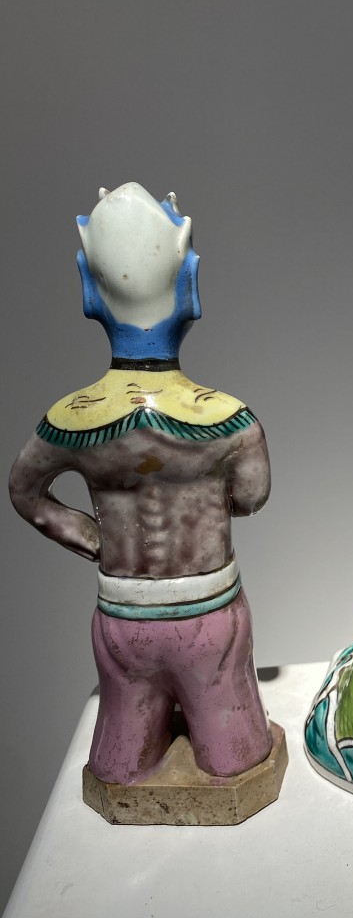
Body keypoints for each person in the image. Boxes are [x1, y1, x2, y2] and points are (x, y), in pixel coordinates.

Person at [9, 183, 273, 785]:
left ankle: (126, 770)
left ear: (89, 292)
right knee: (233, 755)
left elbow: (25, 493)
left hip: (122, 612)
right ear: (190, 289)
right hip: (208, 610)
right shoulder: (231, 421)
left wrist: (96, 537)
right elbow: (251, 498)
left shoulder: (70, 420)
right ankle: (227, 763)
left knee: (121, 757)